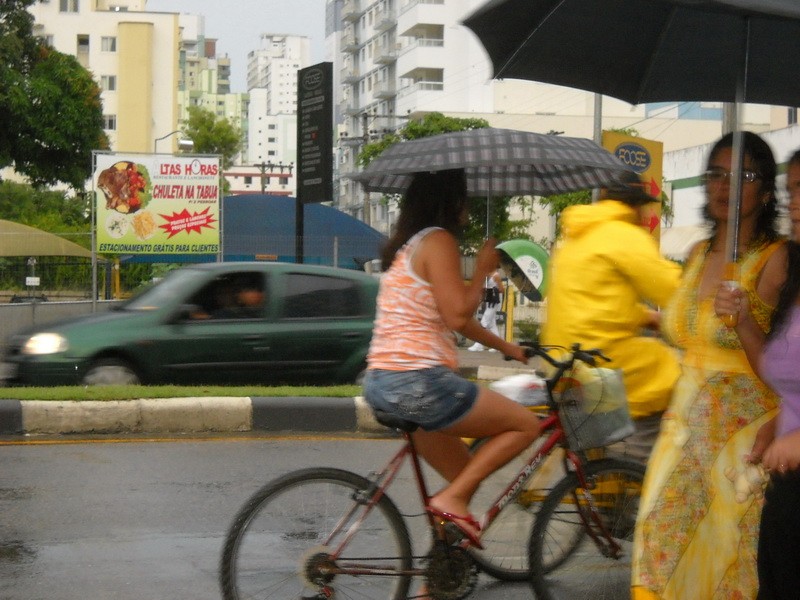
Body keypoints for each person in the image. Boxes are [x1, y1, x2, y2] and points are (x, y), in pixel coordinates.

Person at [631, 131, 787, 600]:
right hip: (681, 439)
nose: (726, 186)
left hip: (739, 447)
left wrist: (743, 323)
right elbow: (688, 333)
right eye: (717, 174)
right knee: (657, 552)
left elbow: (788, 371)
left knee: (725, 568)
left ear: (765, 189)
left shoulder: (776, 261)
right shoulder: (697, 255)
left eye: (743, 176)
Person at [362, 168, 542, 548]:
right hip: (419, 381)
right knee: (526, 426)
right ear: (452, 202)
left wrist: (508, 348)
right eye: (464, 197)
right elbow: (459, 315)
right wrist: (480, 271)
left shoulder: (412, 246)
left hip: (385, 379)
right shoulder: (439, 241)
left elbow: (452, 316)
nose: (468, 206)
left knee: (463, 476)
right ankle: (453, 500)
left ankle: (437, 579)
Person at [540, 169, 682, 463]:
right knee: (667, 368)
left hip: (561, 356)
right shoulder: (624, 234)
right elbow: (671, 290)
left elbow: (599, 302)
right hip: (599, 359)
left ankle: (606, 467)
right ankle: (637, 463)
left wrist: (645, 317)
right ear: (636, 205)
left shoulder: (578, 235)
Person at [716, 148, 800, 600]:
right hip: (788, 493)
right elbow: (781, 378)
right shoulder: (796, 275)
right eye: (792, 191)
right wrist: (744, 320)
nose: (795, 203)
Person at [467, 269, 505, 352]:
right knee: (492, 324)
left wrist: (493, 290)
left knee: (484, 322)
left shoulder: (496, 276)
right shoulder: (487, 275)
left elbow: (502, 289)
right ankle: (498, 346)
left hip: (494, 302)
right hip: (489, 301)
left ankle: (478, 345)